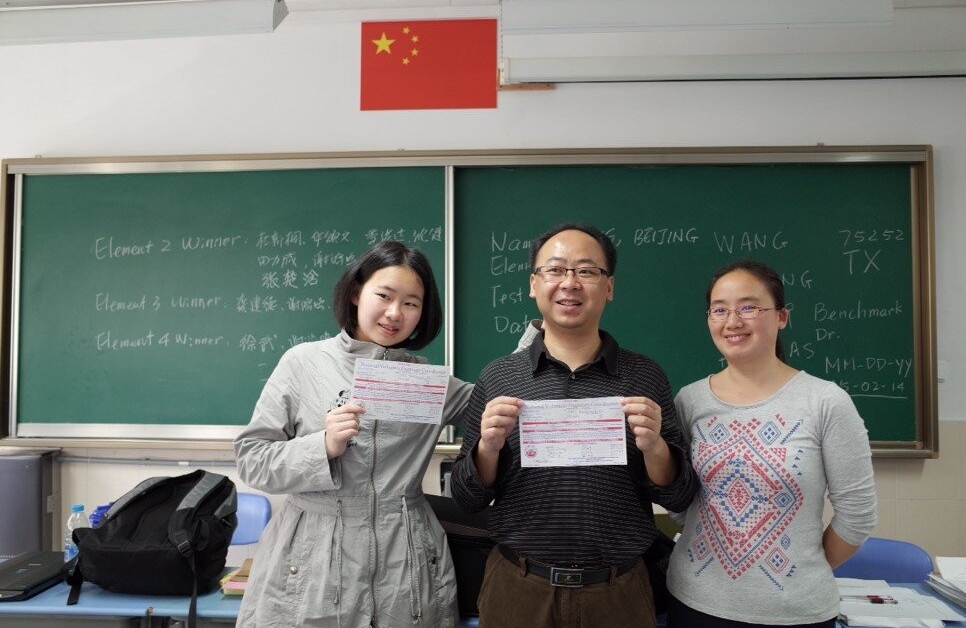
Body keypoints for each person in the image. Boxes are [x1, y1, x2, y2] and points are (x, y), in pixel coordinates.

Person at [450, 223, 699, 628]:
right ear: (534, 284)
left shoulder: (645, 376)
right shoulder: (499, 377)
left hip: (618, 593)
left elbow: (681, 494)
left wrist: (656, 448)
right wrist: (487, 449)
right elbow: (467, 498)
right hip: (517, 589)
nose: (570, 283)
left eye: (586, 271)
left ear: (609, 287)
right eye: (555, 269)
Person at [234, 240, 474, 628]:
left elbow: (502, 400)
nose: (395, 313)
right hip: (313, 560)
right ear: (356, 292)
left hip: (406, 561)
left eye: (411, 303)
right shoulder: (303, 363)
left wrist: (549, 334)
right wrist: (322, 446)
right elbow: (252, 461)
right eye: (384, 296)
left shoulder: (428, 384)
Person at [666, 260, 878, 628]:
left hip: (795, 612)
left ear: (781, 317)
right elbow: (680, 498)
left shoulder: (825, 402)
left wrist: (803, 571)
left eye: (749, 307)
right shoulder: (690, 400)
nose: (733, 321)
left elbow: (857, 515)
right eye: (720, 310)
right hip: (694, 603)